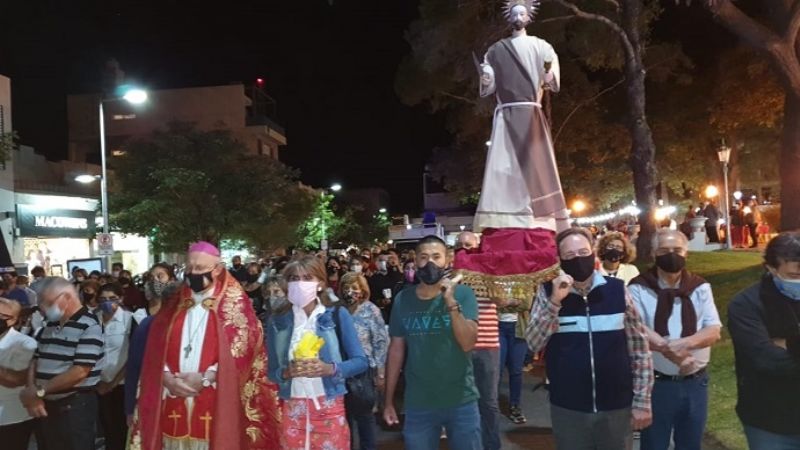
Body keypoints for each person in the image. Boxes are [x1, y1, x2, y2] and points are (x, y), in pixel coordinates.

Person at [128, 242, 279, 450]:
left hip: (216, 402)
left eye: (200, 268)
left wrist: (207, 378)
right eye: (189, 268)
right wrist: (164, 376)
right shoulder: (172, 303)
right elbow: (155, 349)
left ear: (217, 269)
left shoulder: (235, 306)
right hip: (171, 400)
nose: (193, 273)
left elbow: (245, 352)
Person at [525, 227, 653, 450]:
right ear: (559, 259)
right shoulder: (547, 293)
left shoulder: (617, 290)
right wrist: (555, 302)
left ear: (593, 252)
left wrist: (642, 400)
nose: (578, 259)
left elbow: (640, 349)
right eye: (570, 256)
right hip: (569, 408)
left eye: (583, 252)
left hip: (616, 405)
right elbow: (533, 342)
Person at [475, 0, 568, 233]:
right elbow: (488, 87)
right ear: (509, 18)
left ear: (528, 18)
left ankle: (540, 217)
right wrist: (486, 78)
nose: (518, 17)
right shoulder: (495, 50)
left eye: (522, 13)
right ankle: (505, 217)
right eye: (514, 13)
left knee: (535, 165)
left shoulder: (542, 46)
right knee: (505, 166)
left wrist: (547, 72)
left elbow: (552, 83)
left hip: (530, 113)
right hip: (506, 115)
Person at [383, 235, 482, 450]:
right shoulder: (403, 299)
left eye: (436, 257)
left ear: (447, 261)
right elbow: (396, 350)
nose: (430, 263)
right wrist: (388, 400)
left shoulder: (464, 295)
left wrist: (450, 302)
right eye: (423, 257)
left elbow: (468, 343)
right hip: (419, 402)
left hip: (461, 398)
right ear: (415, 261)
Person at [628, 229, 722, 450]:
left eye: (677, 250)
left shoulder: (700, 288)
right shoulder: (638, 288)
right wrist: (673, 353)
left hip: (696, 384)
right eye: (664, 250)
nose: (671, 255)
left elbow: (713, 330)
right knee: (654, 445)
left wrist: (683, 344)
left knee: (691, 444)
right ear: (653, 254)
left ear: (686, 252)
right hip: (656, 385)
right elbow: (637, 329)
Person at [266, 256, 368, 449]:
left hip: (329, 404)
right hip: (293, 407)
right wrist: (287, 373)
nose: (300, 284)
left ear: (320, 283)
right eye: (294, 278)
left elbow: (361, 361)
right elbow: (272, 372)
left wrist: (330, 369)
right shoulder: (277, 321)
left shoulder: (336, 315)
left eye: (307, 278)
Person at [728, 232, 800, 448]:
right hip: (770, 420)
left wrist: (787, 343)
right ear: (771, 269)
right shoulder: (746, 304)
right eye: (794, 275)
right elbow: (765, 359)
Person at [21, 277, 104, 450]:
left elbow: (80, 371)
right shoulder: (50, 325)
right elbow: (35, 359)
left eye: (47, 302)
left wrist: (41, 391)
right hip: (47, 404)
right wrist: (32, 390)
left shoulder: (90, 325)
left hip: (74, 407)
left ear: (66, 298)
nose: (43, 308)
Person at [456, 231, 502, 448]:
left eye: (469, 245)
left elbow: (501, 300)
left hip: (487, 346)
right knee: (464, 401)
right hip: (460, 347)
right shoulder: (451, 274)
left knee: (489, 402)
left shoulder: (490, 272)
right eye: (460, 245)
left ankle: (492, 445)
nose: (465, 249)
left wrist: (488, 278)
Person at [339, 272, 389, 450]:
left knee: (365, 417)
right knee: (345, 417)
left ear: (362, 290)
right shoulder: (338, 310)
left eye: (354, 288)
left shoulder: (371, 310)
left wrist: (380, 372)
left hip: (365, 370)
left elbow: (380, 341)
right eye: (346, 288)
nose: (350, 292)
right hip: (342, 368)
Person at [96, 282, 136, 450]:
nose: (107, 302)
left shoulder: (129, 319)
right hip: (96, 384)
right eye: (103, 299)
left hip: (120, 383)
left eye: (112, 298)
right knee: (105, 428)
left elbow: (134, 356)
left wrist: (112, 383)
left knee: (121, 429)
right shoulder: (91, 319)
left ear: (121, 298)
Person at [0, 297, 37, 450]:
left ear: (14, 319)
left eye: (1, 316)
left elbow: (16, 379)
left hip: (11, 417)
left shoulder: (25, 343)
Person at [368, 250, 404, 323]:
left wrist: (395, 266)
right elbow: (371, 298)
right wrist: (381, 302)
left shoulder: (396, 276)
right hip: (381, 314)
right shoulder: (373, 279)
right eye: (381, 260)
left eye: (386, 261)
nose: (383, 263)